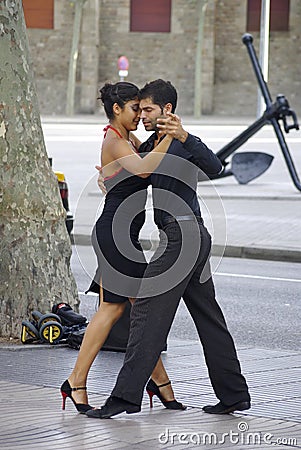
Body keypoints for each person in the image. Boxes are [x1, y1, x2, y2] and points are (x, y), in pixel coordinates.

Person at [86, 79, 251, 419]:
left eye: (148, 110)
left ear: (167, 110)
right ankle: (234, 396)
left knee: (145, 312)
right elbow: (137, 168)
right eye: (140, 109)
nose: (143, 115)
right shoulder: (155, 141)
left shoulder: (181, 140)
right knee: (209, 319)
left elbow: (216, 166)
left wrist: (184, 135)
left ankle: (124, 399)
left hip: (183, 238)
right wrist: (108, 176)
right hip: (190, 237)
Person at [61, 81, 186, 414]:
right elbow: (145, 167)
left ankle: (158, 385)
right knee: (119, 310)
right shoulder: (115, 141)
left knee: (134, 312)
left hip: (123, 235)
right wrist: (173, 135)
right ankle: (78, 381)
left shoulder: (127, 140)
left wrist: (166, 130)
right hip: (115, 234)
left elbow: (147, 153)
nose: (138, 115)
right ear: (117, 109)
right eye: (135, 109)